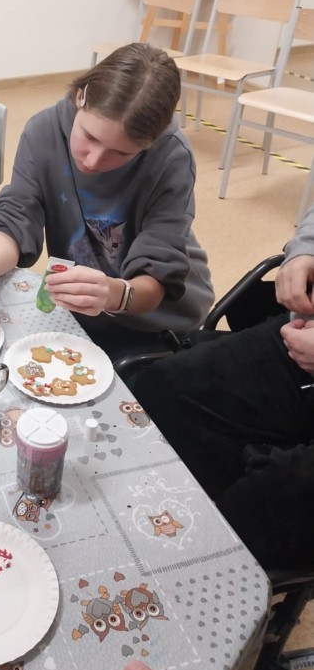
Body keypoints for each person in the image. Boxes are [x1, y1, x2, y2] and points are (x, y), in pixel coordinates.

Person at [0, 43, 213, 360]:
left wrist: (115, 294)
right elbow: (16, 218)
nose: (94, 160)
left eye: (121, 153)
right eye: (90, 136)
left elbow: (157, 278)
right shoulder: (43, 131)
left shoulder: (171, 157)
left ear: (149, 144)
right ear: (80, 95)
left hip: (159, 324)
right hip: (84, 314)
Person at [132, 204, 314, 572]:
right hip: (302, 336)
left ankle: (202, 572)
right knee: (163, 389)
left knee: (271, 494)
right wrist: (304, 251)